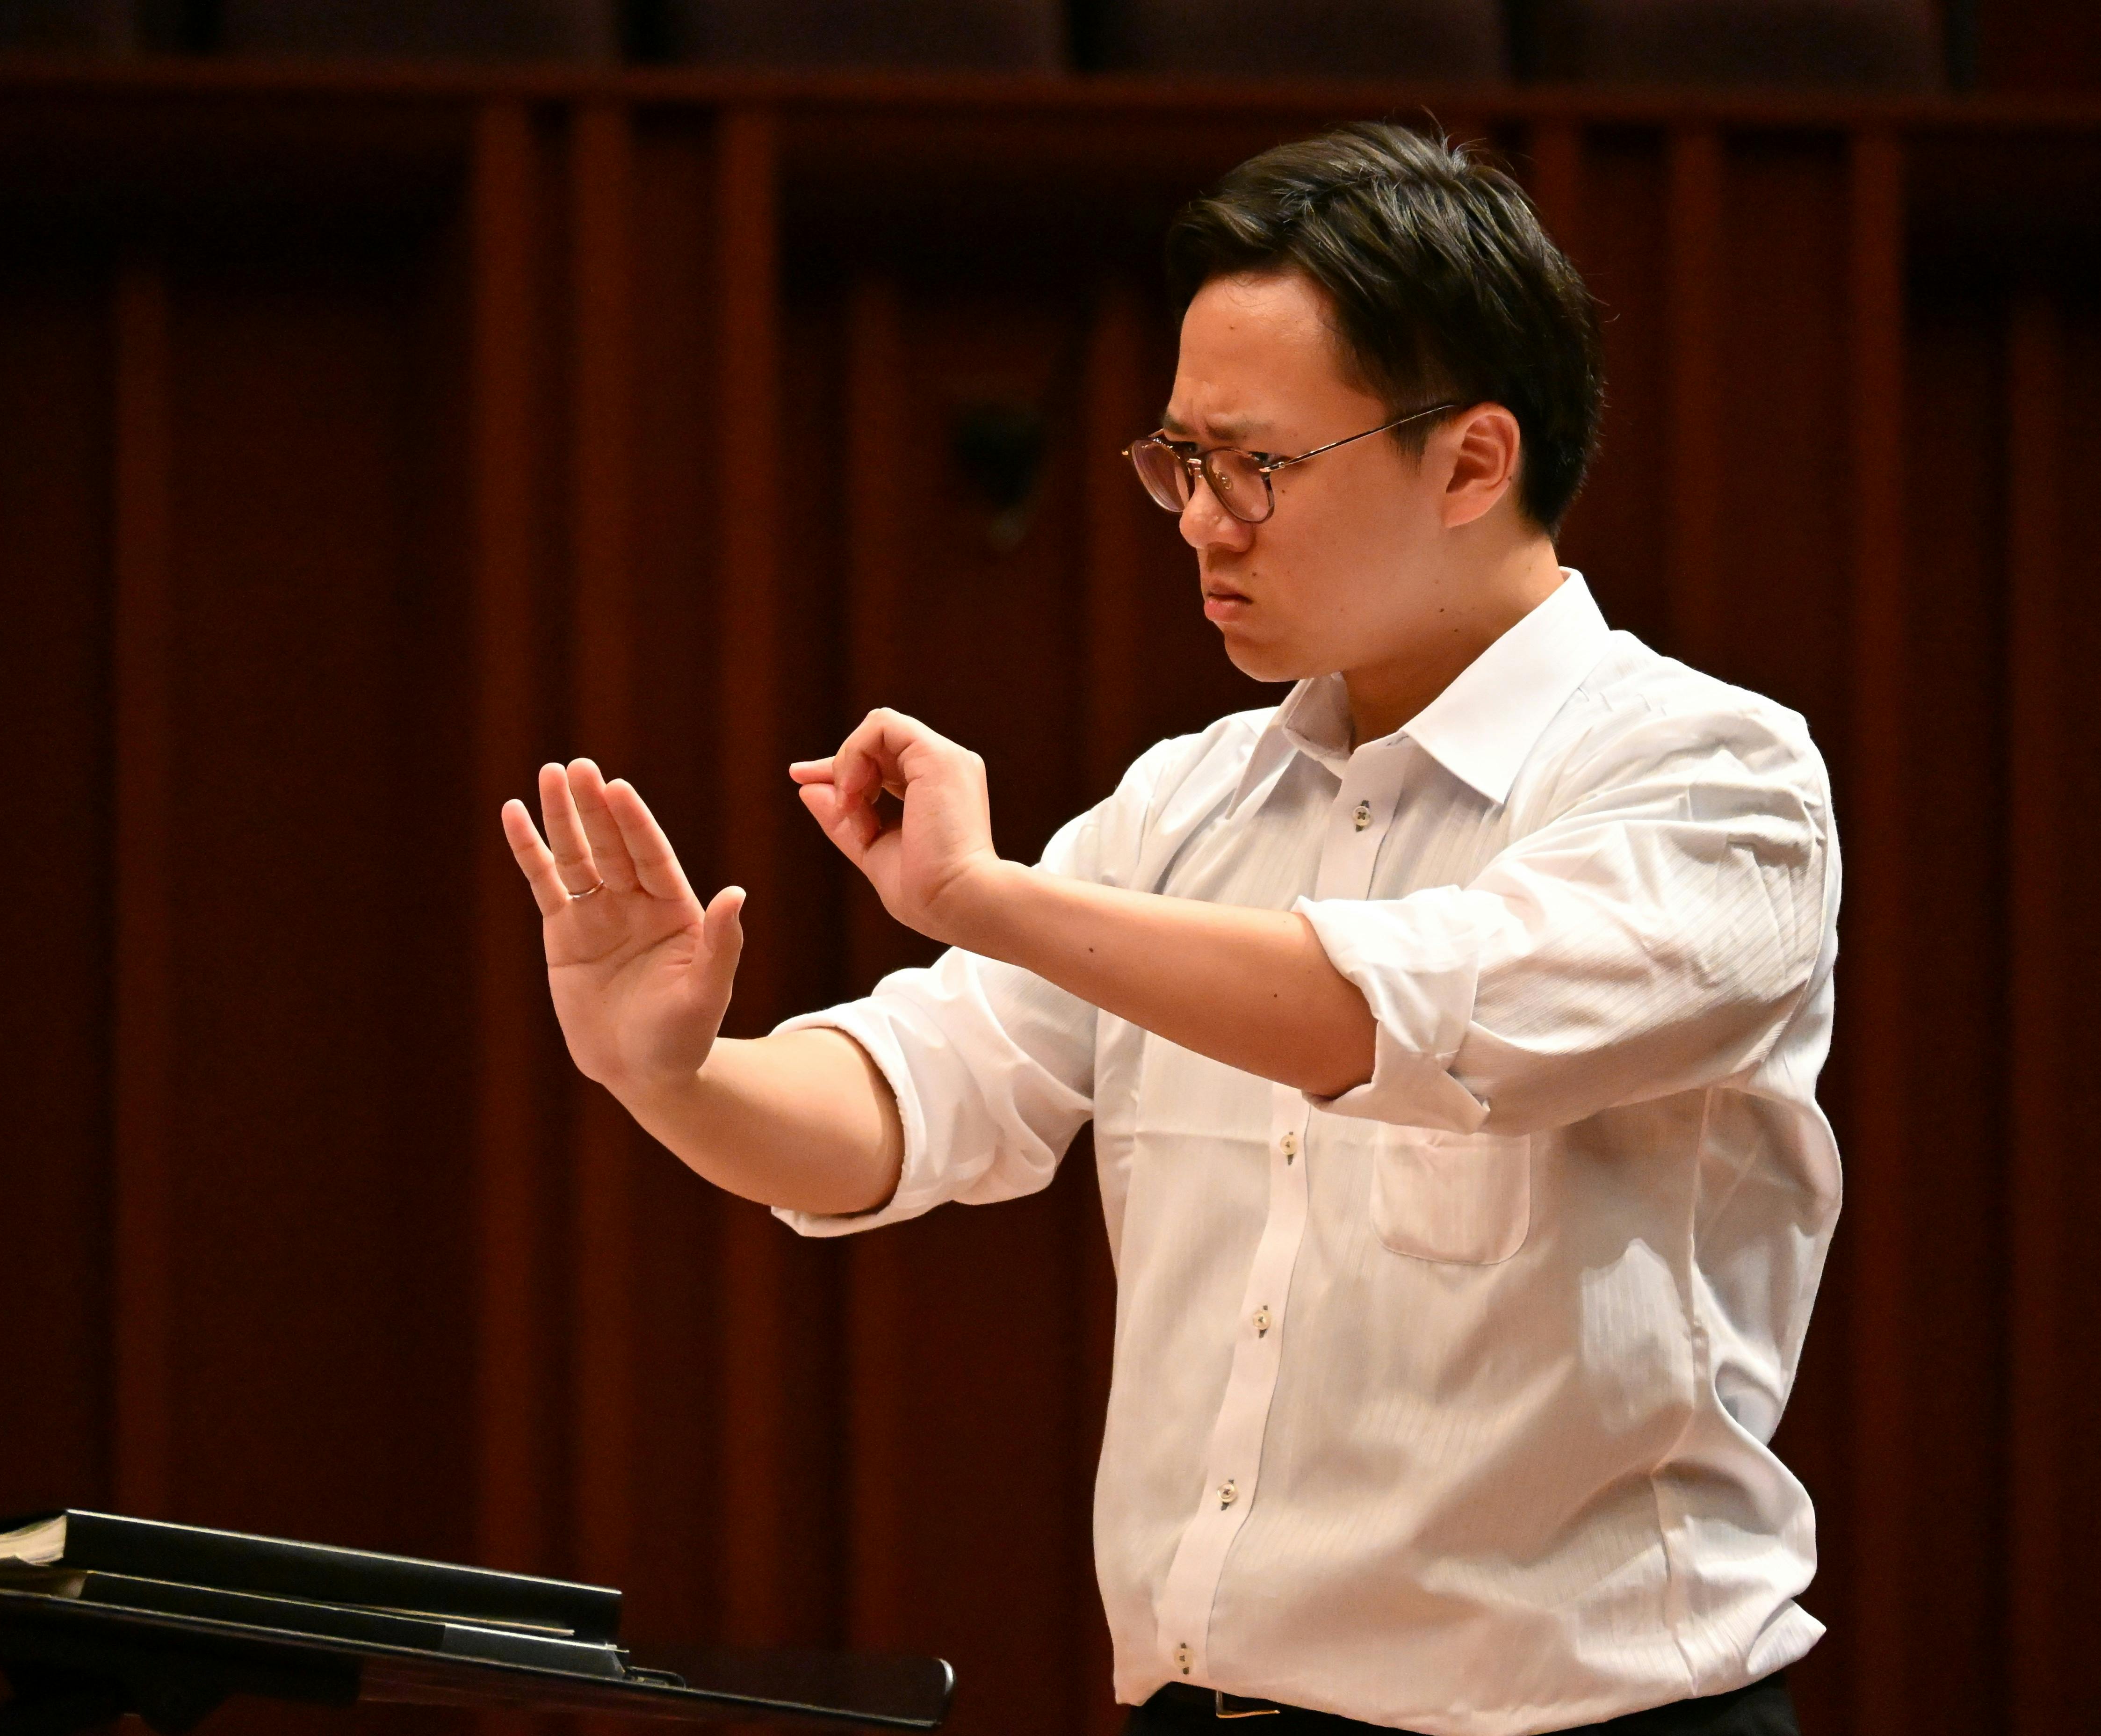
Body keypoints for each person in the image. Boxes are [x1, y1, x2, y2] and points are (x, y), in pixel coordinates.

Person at [502, 123, 1836, 1736]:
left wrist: (989, 895)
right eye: (1180, 462)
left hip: (1599, 1722)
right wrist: (673, 1074)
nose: (1202, 522)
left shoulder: (1712, 776)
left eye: (1257, 468)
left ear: (1473, 464)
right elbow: (911, 1100)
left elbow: (1408, 1015)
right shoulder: (1187, 802)